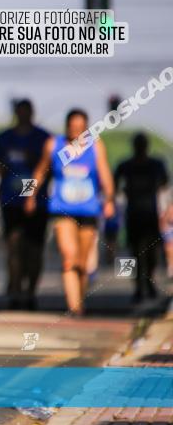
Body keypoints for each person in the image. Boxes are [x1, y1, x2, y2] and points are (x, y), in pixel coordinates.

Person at [26, 109, 115, 316]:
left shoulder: (95, 146)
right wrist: (29, 196)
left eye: (79, 128)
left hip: (88, 210)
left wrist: (109, 200)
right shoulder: (53, 145)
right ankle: (75, 307)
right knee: (69, 258)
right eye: (72, 127)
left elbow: (105, 175)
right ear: (66, 126)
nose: (75, 131)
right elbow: (39, 172)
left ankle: (80, 299)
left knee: (82, 264)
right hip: (62, 210)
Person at [0, 99, 50, 310]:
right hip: (11, 200)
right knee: (14, 247)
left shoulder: (43, 138)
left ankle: (30, 291)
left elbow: (50, 166)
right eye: (20, 112)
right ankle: (15, 290)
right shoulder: (5, 138)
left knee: (34, 250)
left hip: (38, 203)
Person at [114, 133, 169, 301]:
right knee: (135, 252)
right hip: (133, 214)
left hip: (150, 214)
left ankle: (149, 284)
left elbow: (165, 181)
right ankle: (138, 286)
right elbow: (114, 183)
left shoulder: (155, 164)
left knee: (151, 252)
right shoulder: (126, 165)